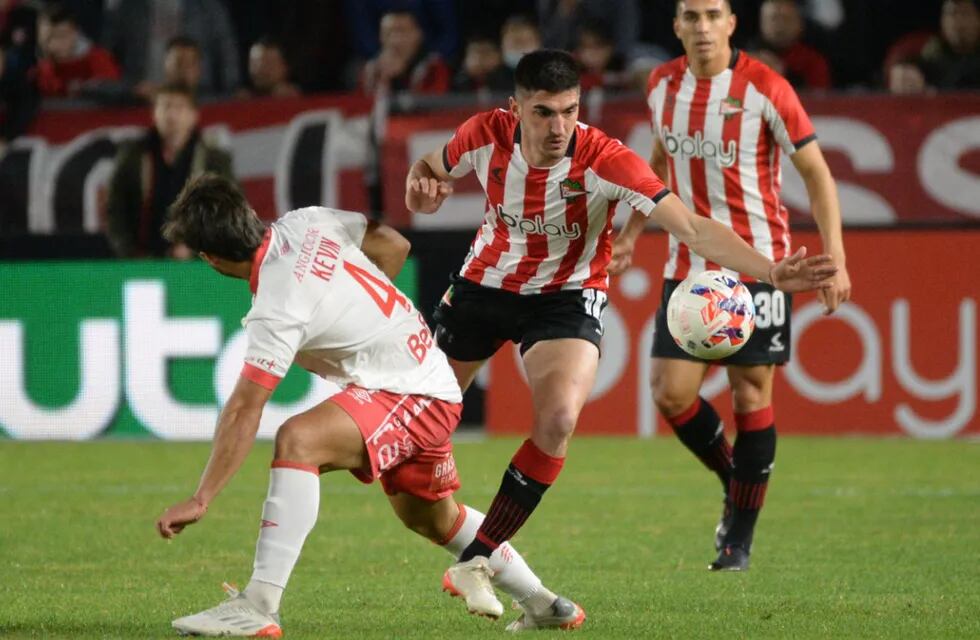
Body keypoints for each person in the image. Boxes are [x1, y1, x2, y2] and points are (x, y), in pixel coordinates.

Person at [405, 48, 838, 611]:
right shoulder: (483, 134)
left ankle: (478, 559)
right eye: (542, 113)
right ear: (515, 109)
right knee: (416, 425)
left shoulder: (606, 159)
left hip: (565, 297)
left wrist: (771, 271)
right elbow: (429, 171)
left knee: (558, 420)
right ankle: (533, 597)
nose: (558, 126)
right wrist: (423, 189)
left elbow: (693, 228)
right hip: (483, 288)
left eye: (568, 110)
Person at [154, 174, 584, 636]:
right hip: (423, 376)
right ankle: (545, 604)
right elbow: (393, 243)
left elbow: (243, 409)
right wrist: (367, 317)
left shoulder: (276, 307)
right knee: (431, 517)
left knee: (297, 440)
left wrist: (202, 498)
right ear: (247, 214)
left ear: (211, 258)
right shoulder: (307, 221)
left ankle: (259, 604)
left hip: (410, 391)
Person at [611, 0, 852, 571]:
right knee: (670, 393)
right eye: (690, 16)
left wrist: (836, 257)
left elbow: (817, 174)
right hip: (688, 267)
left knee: (750, 396)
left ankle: (736, 540)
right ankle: (737, 479)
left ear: (731, 24)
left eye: (712, 15)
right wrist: (632, 230)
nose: (701, 27)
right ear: (675, 25)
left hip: (761, 266)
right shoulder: (660, 85)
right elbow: (660, 158)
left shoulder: (766, 87)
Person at [106, 83, 233, 258]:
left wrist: (195, 250)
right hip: (143, 260)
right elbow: (115, 210)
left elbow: (227, 211)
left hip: (196, 264)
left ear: (194, 115)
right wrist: (129, 253)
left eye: (179, 108)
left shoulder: (213, 159)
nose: (171, 115)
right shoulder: (133, 156)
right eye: (165, 106)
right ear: (154, 114)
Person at [35, 3, 120, 98]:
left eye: (61, 36)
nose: (54, 44)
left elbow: (115, 91)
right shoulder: (37, 66)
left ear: (74, 34)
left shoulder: (98, 59)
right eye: (47, 39)